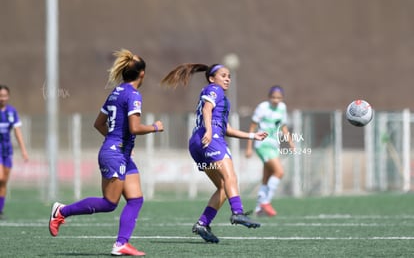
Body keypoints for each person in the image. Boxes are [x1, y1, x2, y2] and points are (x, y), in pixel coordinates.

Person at [49, 49, 163, 256]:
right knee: (109, 203)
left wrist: (117, 143)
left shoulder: (116, 92)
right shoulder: (133, 94)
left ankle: (121, 244)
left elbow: (98, 124)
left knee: (136, 199)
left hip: (119, 153)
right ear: (142, 74)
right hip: (116, 154)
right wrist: (155, 127)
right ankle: (61, 211)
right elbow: (135, 128)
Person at [161, 63, 268, 243]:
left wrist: (252, 135)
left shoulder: (223, 99)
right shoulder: (214, 89)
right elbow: (206, 109)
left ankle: (203, 223)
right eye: (223, 75)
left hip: (198, 143)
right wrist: (209, 131)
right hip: (209, 139)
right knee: (231, 177)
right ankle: (237, 212)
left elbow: (227, 128)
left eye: (229, 76)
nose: (227, 79)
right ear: (212, 78)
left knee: (224, 188)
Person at [245, 85, 294, 217]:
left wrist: (290, 142)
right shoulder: (262, 107)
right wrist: (249, 147)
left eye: (279, 97)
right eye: (273, 97)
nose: (276, 100)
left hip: (274, 145)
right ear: (269, 97)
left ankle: (258, 209)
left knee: (266, 177)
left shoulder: (282, 108)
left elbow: (283, 127)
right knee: (279, 172)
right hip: (262, 144)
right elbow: (252, 127)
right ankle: (265, 202)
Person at [0, 85, 29, 219]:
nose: (3, 98)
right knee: (0, 177)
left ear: (8, 96)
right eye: (1, 96)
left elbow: (17, 132)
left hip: (7, 149)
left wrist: (23, 150)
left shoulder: (12, 112)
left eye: (5, 96)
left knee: (4, 180)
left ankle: (0, 210)